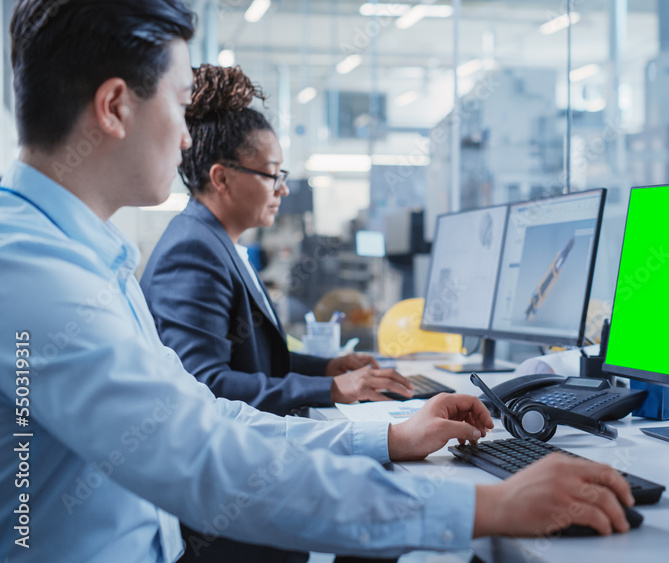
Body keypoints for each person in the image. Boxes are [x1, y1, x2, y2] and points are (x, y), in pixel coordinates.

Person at [0, 1, 635, 562]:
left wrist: (388, 433)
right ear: (114, 107)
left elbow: (210, 418)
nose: (188, 133)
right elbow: (205, 461)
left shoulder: (85, 257)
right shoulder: (31, 274)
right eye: (177, 103)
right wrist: (485, 511)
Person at [140, 63, 413, 423]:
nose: (282, 188)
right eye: (272, 174)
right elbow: (204, 384)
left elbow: (253, 361)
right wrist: (333, 389)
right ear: (221, 178)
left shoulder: (214, 241)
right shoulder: (192, 251)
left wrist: (329, 368)